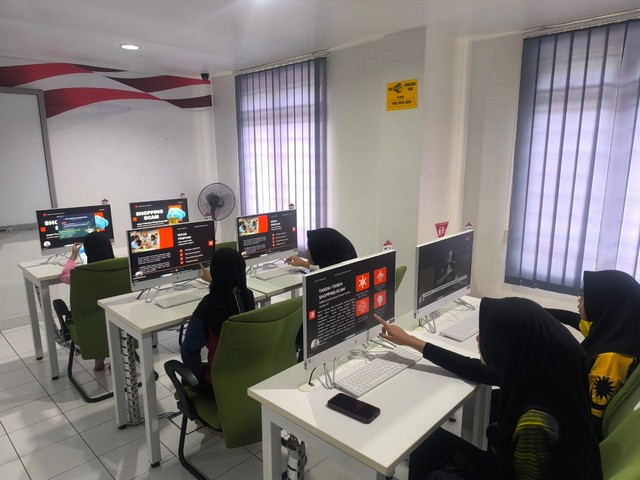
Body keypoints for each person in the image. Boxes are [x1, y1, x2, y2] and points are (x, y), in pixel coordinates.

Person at [376, 297, 602, 480]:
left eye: (487, 336)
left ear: (510, 345)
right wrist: (412, 342)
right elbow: (476, 369)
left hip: (512, 473)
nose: (478, 339)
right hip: (510, 466)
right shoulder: (540, 369)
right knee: (426, 444)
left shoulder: (535, 423)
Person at [546, 269, 640, 439]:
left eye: (584, 295)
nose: (579, 300)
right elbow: (575, 320)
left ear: (606, 301)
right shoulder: (613, 333)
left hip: (576, 433)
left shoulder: (610, 359)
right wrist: (537, 311)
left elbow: (592, 420)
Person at [180, 249, 255, 390]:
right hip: (249, 375)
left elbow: (189, 349)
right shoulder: (248, 297)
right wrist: (213, 281)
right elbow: (230, 289)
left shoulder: (208, 305)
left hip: (218, 385)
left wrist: (196, 380)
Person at [59, 231, 115, 371]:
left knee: (96, 315)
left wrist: (73, 257)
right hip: (119, 320)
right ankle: (117, 354)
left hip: (89, 326)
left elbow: (64, 275)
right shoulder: (122, 266)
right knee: (105, 313)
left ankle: (99, 357)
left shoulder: (81, 273)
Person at [285, 227, 357, 270]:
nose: (306, 252)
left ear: (320, 252)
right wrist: (303, 263)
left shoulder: (330, 282)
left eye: (309, 249)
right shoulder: (340, 271)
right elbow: (324, 270)